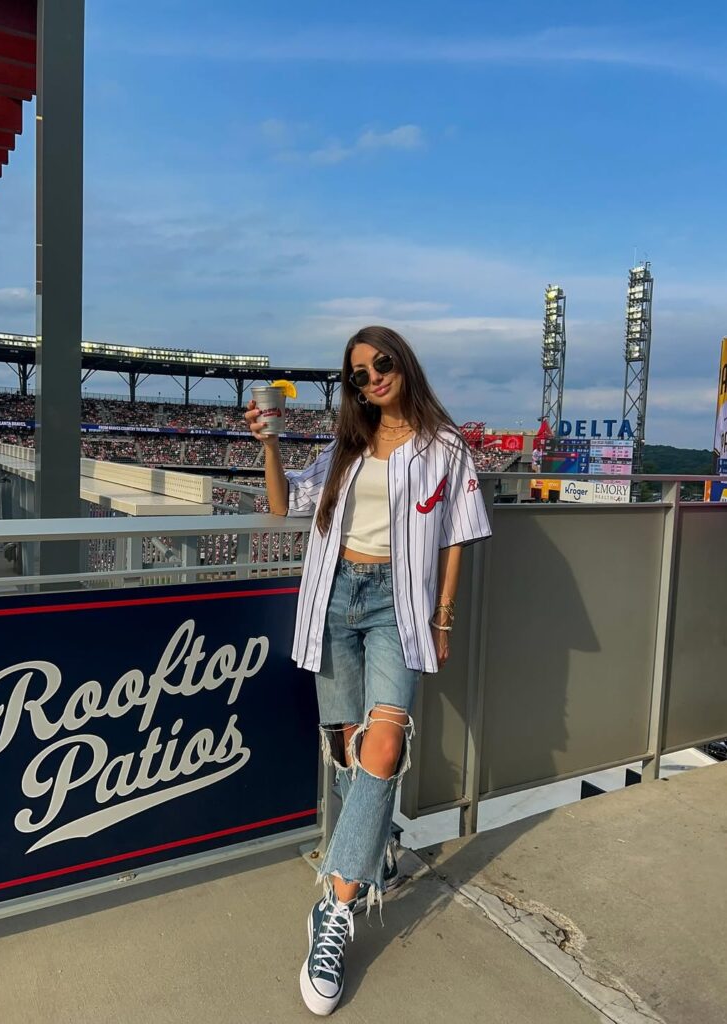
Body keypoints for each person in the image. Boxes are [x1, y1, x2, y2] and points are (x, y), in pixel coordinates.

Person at [245, 325, 491, 1016]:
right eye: (358, 374)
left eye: (382, 364)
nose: (373, 378)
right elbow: (280, 503)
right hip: (333, 601)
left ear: (403, 364)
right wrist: (268, 442)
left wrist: (443, 618)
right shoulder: (345, 448)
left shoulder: (445, 449)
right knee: (348, 749)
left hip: (395, 608)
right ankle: (372, 853)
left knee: (385, 744)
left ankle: (334, 908)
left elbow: (458, 537)